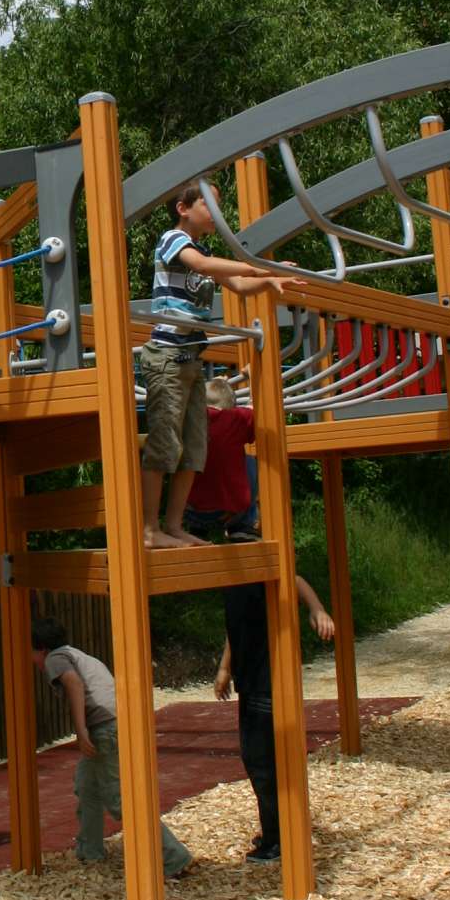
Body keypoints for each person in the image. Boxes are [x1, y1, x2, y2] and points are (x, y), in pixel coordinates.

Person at [138, 184, 291, 550]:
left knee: (194, 448)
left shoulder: (204, 251)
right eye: (209, 204)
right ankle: (148, 529)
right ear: (183, 208)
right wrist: (257, 266)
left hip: (191, 358)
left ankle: (173, 526)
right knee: (164, 444)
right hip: (167, 355)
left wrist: (268, 278)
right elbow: (202, 266)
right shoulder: (173, 239)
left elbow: (238, 284)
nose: (217, 212)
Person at [30, 617, 194, 880]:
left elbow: (74, 684)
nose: (32, 661)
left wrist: (81, 730)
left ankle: (173, 858)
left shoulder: (55, 658)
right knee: (87, 785)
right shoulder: (78, 654)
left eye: (31, 654)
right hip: (118, 721)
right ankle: (89, 850)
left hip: (104, 728)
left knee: (120, 799)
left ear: (41, 648)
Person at [216, 577, 334, 863]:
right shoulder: (232, 579)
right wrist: (225, 668)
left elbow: (294, 579)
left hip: (267, 682)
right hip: (250, 681)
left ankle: (277, 839)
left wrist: (317, 609)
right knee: (256, 759)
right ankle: (276, 830)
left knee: (263, 762)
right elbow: (236, 626)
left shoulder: (256, 571)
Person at [183, 375, 259, 540]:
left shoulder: (190, 418)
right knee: (249, 461)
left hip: (191, 512)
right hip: (230, 513)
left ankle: (196, 529)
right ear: (231, 406)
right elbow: (257, 407)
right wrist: (252, 375)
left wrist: (210, 383)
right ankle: (242, 526)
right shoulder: (236, 418)